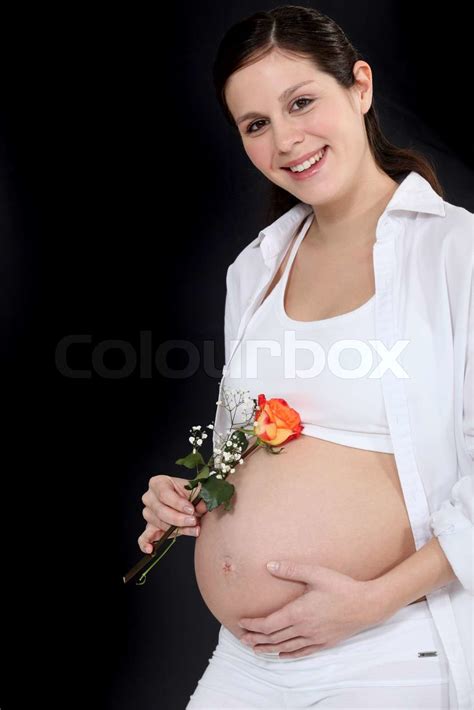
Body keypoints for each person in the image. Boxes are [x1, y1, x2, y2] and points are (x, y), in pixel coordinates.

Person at [139, 6, 473, 708]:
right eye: (256, 124)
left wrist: (375, 600)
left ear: (359, 86)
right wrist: (194, 496)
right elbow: (248, 438)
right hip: (246, 663)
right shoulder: (254, 269)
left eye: (302, 102)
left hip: (386, 648)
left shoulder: (455, 255)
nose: (286, 140)